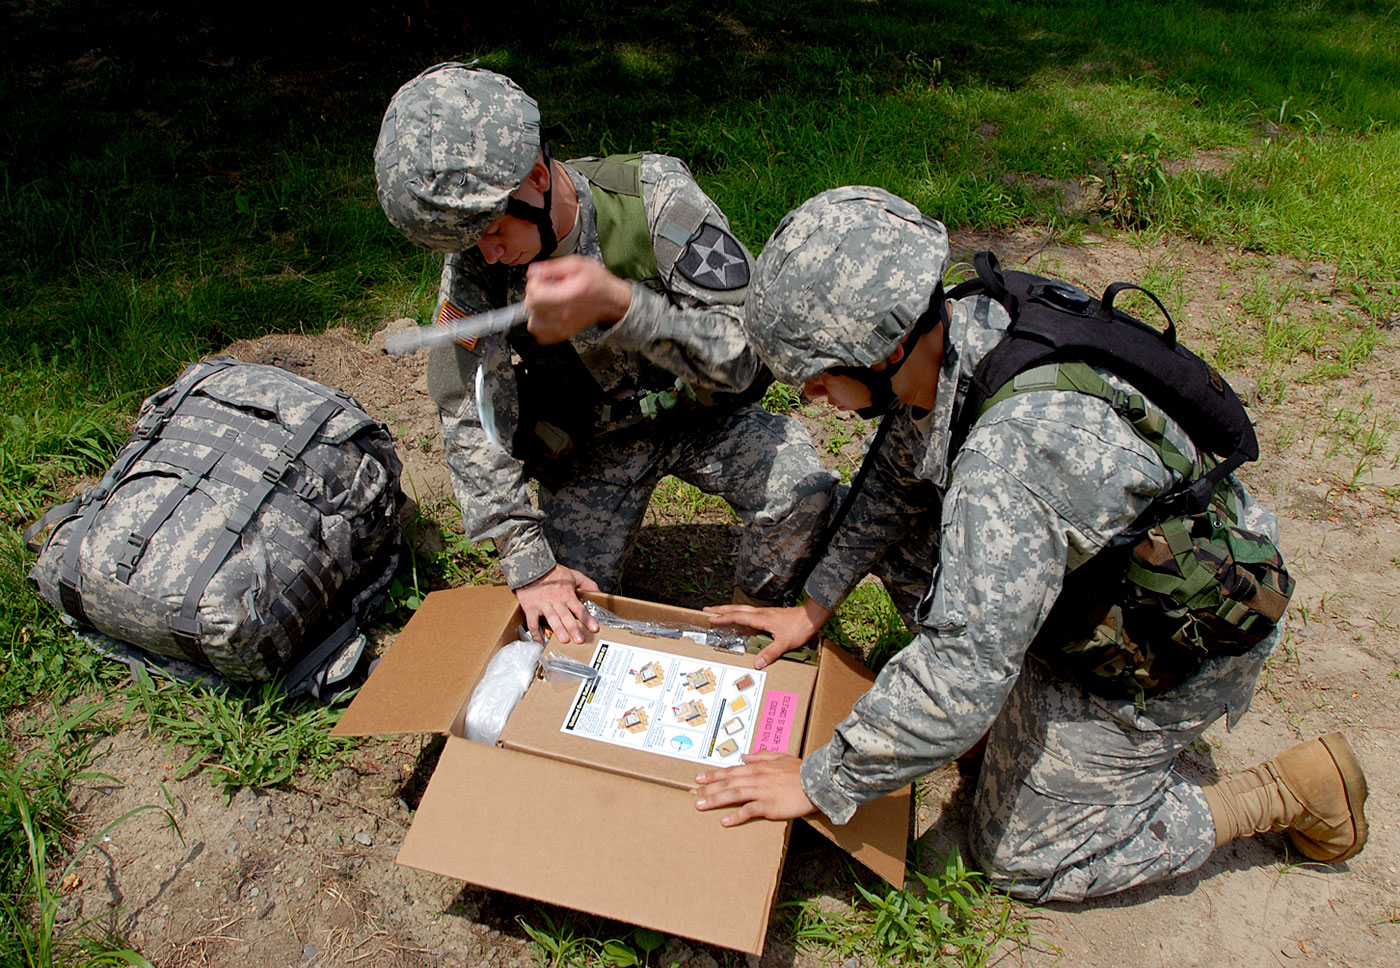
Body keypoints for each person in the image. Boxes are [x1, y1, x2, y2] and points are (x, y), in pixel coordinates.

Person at [695, 186, 1368, 902]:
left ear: (887, 349)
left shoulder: (1013, 459)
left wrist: (820, 778)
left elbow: (963, 671)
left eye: (821, 379)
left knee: (1020, 856)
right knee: (907, 536)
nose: (812, 397)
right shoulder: (968, 322)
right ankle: (1007, 726)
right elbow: (896, 474)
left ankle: (1286, 793)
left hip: (1170, 643)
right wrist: (815, 605)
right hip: (1102, 568)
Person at [373, 63, 837, 644]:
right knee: (566, 615)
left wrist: (623, 307)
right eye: (472, 242)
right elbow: (468, 408)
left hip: (704, 420)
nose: (487, 256)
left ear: (537, 178)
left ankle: (752, 629)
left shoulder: (654, 203)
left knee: (805, 492)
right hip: (594, 446)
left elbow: (746, 358)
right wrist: (528, 563)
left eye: (493, 232)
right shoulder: (477, 259)